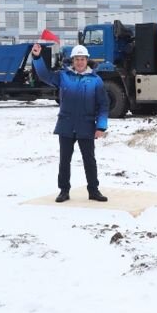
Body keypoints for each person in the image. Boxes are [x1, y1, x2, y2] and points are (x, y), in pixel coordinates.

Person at [31, 43, 109, 203]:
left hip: (86, 125)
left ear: (87, 60)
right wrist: (37, 58)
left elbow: (103, 105)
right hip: (66, 125)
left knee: (89, 159)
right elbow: (44, 75)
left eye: (82, 59)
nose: (80, 62)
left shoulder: (96, 80)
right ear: (72, 60)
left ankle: (93, 190)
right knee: (64, 160)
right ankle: (64, 190)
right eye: (77, 59)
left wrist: (101, 126)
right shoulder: (63, 76)